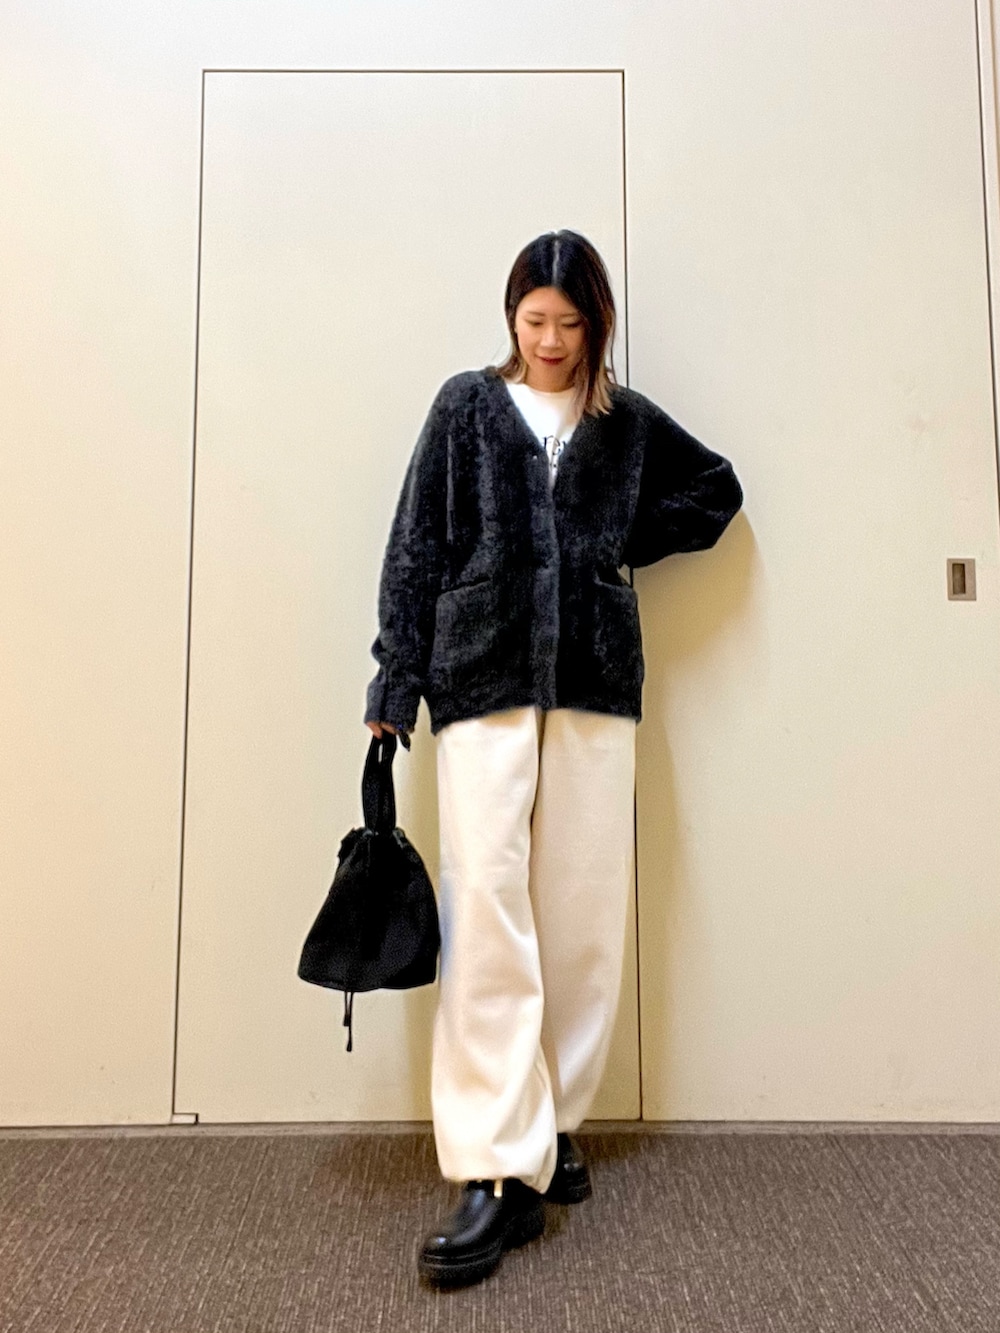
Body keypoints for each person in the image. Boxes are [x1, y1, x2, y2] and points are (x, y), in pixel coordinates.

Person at [364, 229, 743, 1287]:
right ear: (511, 317)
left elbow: (715, 491)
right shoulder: (466, 408)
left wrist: (610, 546)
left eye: (569, 324)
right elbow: (414, 546)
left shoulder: (623, 423)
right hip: (479, 676)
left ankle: (553, 1120)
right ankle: (493, 1164)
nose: (549, 342)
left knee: (577, 911)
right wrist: (393, 687)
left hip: (593, 681)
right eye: (534, 321)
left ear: (596, 326)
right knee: (486, 903)